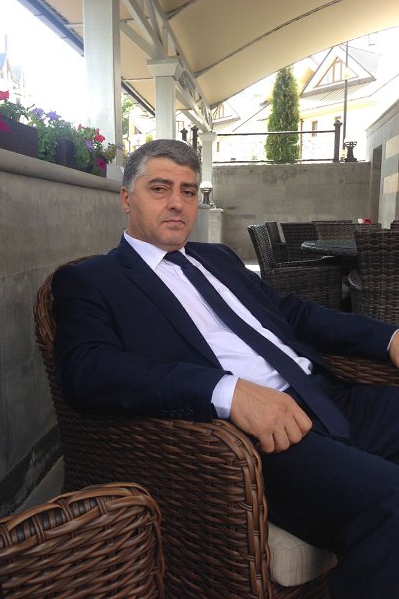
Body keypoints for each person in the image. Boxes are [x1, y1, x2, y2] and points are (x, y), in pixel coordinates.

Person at [52, 139, 399, 599]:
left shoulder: (217, 258)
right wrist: (226, 391)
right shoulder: (93, 279)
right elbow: (86, 369)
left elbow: (289, 313)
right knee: (389, 499)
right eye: (159, 188)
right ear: (126, 198)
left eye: (188, 191)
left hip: (325, 396)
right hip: (257, 438)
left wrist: (388, 338)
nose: (177, 202)